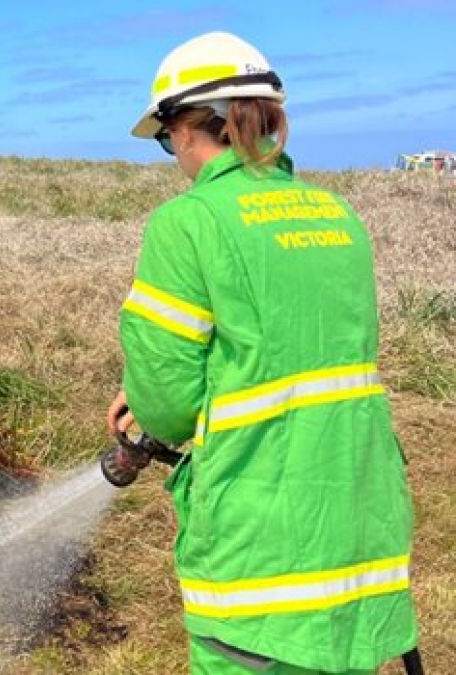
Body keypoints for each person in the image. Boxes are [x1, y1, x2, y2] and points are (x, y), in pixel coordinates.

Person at [105, 32, 419, 674]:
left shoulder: (189, 223)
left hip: (262, 556)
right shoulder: (337, 216)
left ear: (195, 127)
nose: (174, 157)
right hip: (358, 530)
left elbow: (164, 408)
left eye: (169, 140)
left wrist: (146, 400)